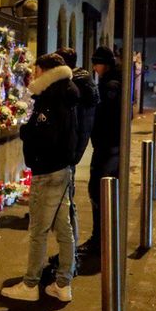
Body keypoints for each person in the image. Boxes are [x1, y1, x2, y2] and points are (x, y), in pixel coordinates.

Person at [1, 53, 79, 302]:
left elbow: (45, 136)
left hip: (47, 171)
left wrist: (27, 131)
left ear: (47, 72)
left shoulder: (51, 97)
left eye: (37, 72)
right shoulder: (67, 92)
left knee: (38, 231)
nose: (34, 76)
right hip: (63, 169)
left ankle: (30, 284)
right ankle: (63, 283)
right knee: (63, 228)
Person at [79, 46, 122, 255]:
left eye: (96, 64)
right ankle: (104, 238)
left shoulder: (110, 85)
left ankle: (100, 240)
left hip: (107, 147)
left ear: (104, 64)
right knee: (102, 191)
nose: (95, 68)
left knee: (99, 191)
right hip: (110, 146)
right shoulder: (113, 81)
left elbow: (104, 115)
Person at [55, 46, 98, 247]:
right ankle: (70, 248)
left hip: (70, 147)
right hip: (75, 145)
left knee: (67, 200)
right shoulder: (84, 82)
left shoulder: (74, 86)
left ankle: (70, 250)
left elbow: (71, 120)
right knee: (67, 197)